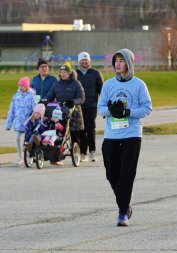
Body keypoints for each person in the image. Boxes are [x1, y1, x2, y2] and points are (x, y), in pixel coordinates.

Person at [98, 48, 152, 226]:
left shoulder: (139, 85)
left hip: (132, 135)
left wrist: (128, 112)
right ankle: (125, 201)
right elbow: (101, 108)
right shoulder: (108, 85)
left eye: (121, 60)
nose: (118, 64)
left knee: (126, 175)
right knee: (111, 174)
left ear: (129, 63)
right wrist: (111, 110)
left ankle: (123, 212)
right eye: (116, 61)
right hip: (111, 134)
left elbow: (147, 108)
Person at [45, 62, 85, 165]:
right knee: (59, 135)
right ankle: (56, 158)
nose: (63, 74)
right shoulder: (56, 84)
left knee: (74, 136)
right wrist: (43, 102)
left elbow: (82, 98)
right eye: (61, 72)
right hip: (60, 113)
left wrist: (73, 102)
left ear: (70, 73)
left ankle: (77, 154)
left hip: (74, 114)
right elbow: (49, 96)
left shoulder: (76, 84)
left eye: (65, 72)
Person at [76, 52, 104, 162]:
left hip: (92, 104)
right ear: (79, 62)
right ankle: (83, 153)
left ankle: (92, 151)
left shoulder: (96, 73)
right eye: (82, 60)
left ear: (89, 61)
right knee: (81, 129)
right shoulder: (75, 74)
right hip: (79, 106)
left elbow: (102, 90)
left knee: (90, 128)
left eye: (86, 60)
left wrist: (104, 104)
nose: (84, 62)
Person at [6, 77, 36, 164]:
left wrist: (33, 119)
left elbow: (35, 109)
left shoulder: (31, 96)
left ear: (27, 86)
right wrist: (8, 124)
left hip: (29, 123)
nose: (20, 87)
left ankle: (31, 155)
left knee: (29, 140)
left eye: (22, 85)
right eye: (19, 85)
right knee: (17, 138)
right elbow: (11, 110)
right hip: (18, 123)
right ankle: (20, 157)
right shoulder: (16, 96)